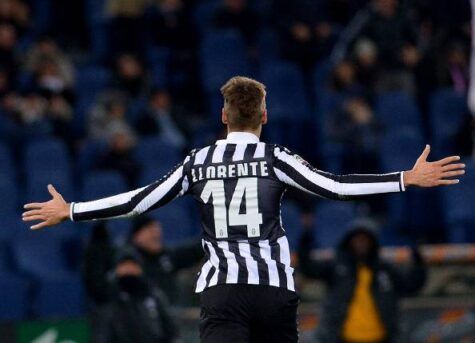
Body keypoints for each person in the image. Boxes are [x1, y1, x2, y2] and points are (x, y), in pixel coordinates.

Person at [23, 76, 465, 342]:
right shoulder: (276, 157)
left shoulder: (198, 162)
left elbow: (139, 201)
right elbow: (335, 187)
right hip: (273, 289)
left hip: (223, 292)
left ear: (224, 115)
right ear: (264, 116)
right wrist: (405, 178)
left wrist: (73, 209)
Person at [298, 219, 427, 343]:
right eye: (357, 239)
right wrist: (306, 239)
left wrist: (418, 261)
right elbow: (309, 268)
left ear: (373, 242)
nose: (361, 243)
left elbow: (411, 285)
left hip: (382, 339)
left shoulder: (384, 270)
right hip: (342, 339)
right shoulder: (337, 267)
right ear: (349, 241)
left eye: (365, 240)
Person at [89, 245, 177, 343]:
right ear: (117, 269)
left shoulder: (153, 296)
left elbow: (170, 331)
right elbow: (100, 335)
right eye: (124, 265)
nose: (129, 269)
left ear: (140, 269)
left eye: (133, 265)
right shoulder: (107, 298)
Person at [126, 216, 203, 303]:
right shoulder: (128, 260)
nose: (156, 233)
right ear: (136, 235)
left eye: (157, 230)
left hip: (170, 311)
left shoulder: (165, 256)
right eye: (150, 231)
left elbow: (194, 250)